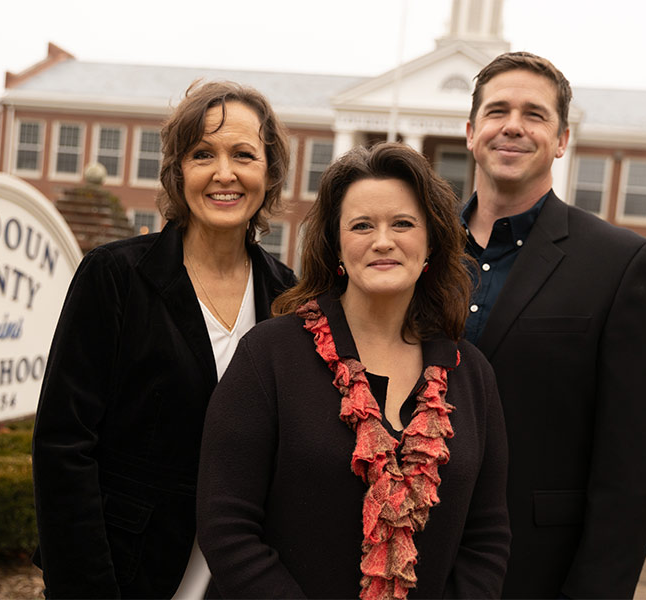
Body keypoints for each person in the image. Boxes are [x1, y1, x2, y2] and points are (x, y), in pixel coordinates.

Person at [197, 142, 511, 599]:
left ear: (431, 243)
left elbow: (487, 537)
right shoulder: (270, 356)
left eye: (402, 224)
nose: (383, 240)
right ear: (337, 246)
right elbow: (226, 525)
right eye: (362, 225)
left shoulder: (472, 375)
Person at [31, 80, 296, 599]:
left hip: (239, 575)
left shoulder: (287, 296)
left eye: (244, 154)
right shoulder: (115, 277)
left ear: (270, 173)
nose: (225, 173)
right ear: (178, 171)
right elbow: (63, 445)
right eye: (203, 154)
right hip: (129, 572)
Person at [462, 51, 646, 598]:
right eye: (497, 111)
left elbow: (632, 471)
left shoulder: (620, 264)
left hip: (535, 570)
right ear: (470, 131)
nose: (512, 125)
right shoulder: (420, 254)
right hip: (404, 563)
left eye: (534, 114)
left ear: (561, 140)